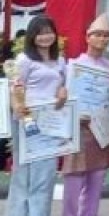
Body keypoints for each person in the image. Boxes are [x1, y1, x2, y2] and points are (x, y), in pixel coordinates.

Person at [6, 15, 68, 216]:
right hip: (27, 122)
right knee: (23, 176)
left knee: (45, 176)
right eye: (40, 33)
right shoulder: (24, 60)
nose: (45, 37)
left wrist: (62, 92)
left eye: (48, 32)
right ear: (32, 36)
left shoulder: (60, 60)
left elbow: (64, 86)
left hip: (50, 124)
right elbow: (14, 87)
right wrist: (17, 106)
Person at [62, 14, 109, 216]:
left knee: (96, 184)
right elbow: (63, 99)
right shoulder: (73, 65)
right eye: (98, 35)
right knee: (73, 187)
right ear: (87, 37)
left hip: (101, 133)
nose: (102, 39)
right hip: (78, 130)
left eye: (106, 35)